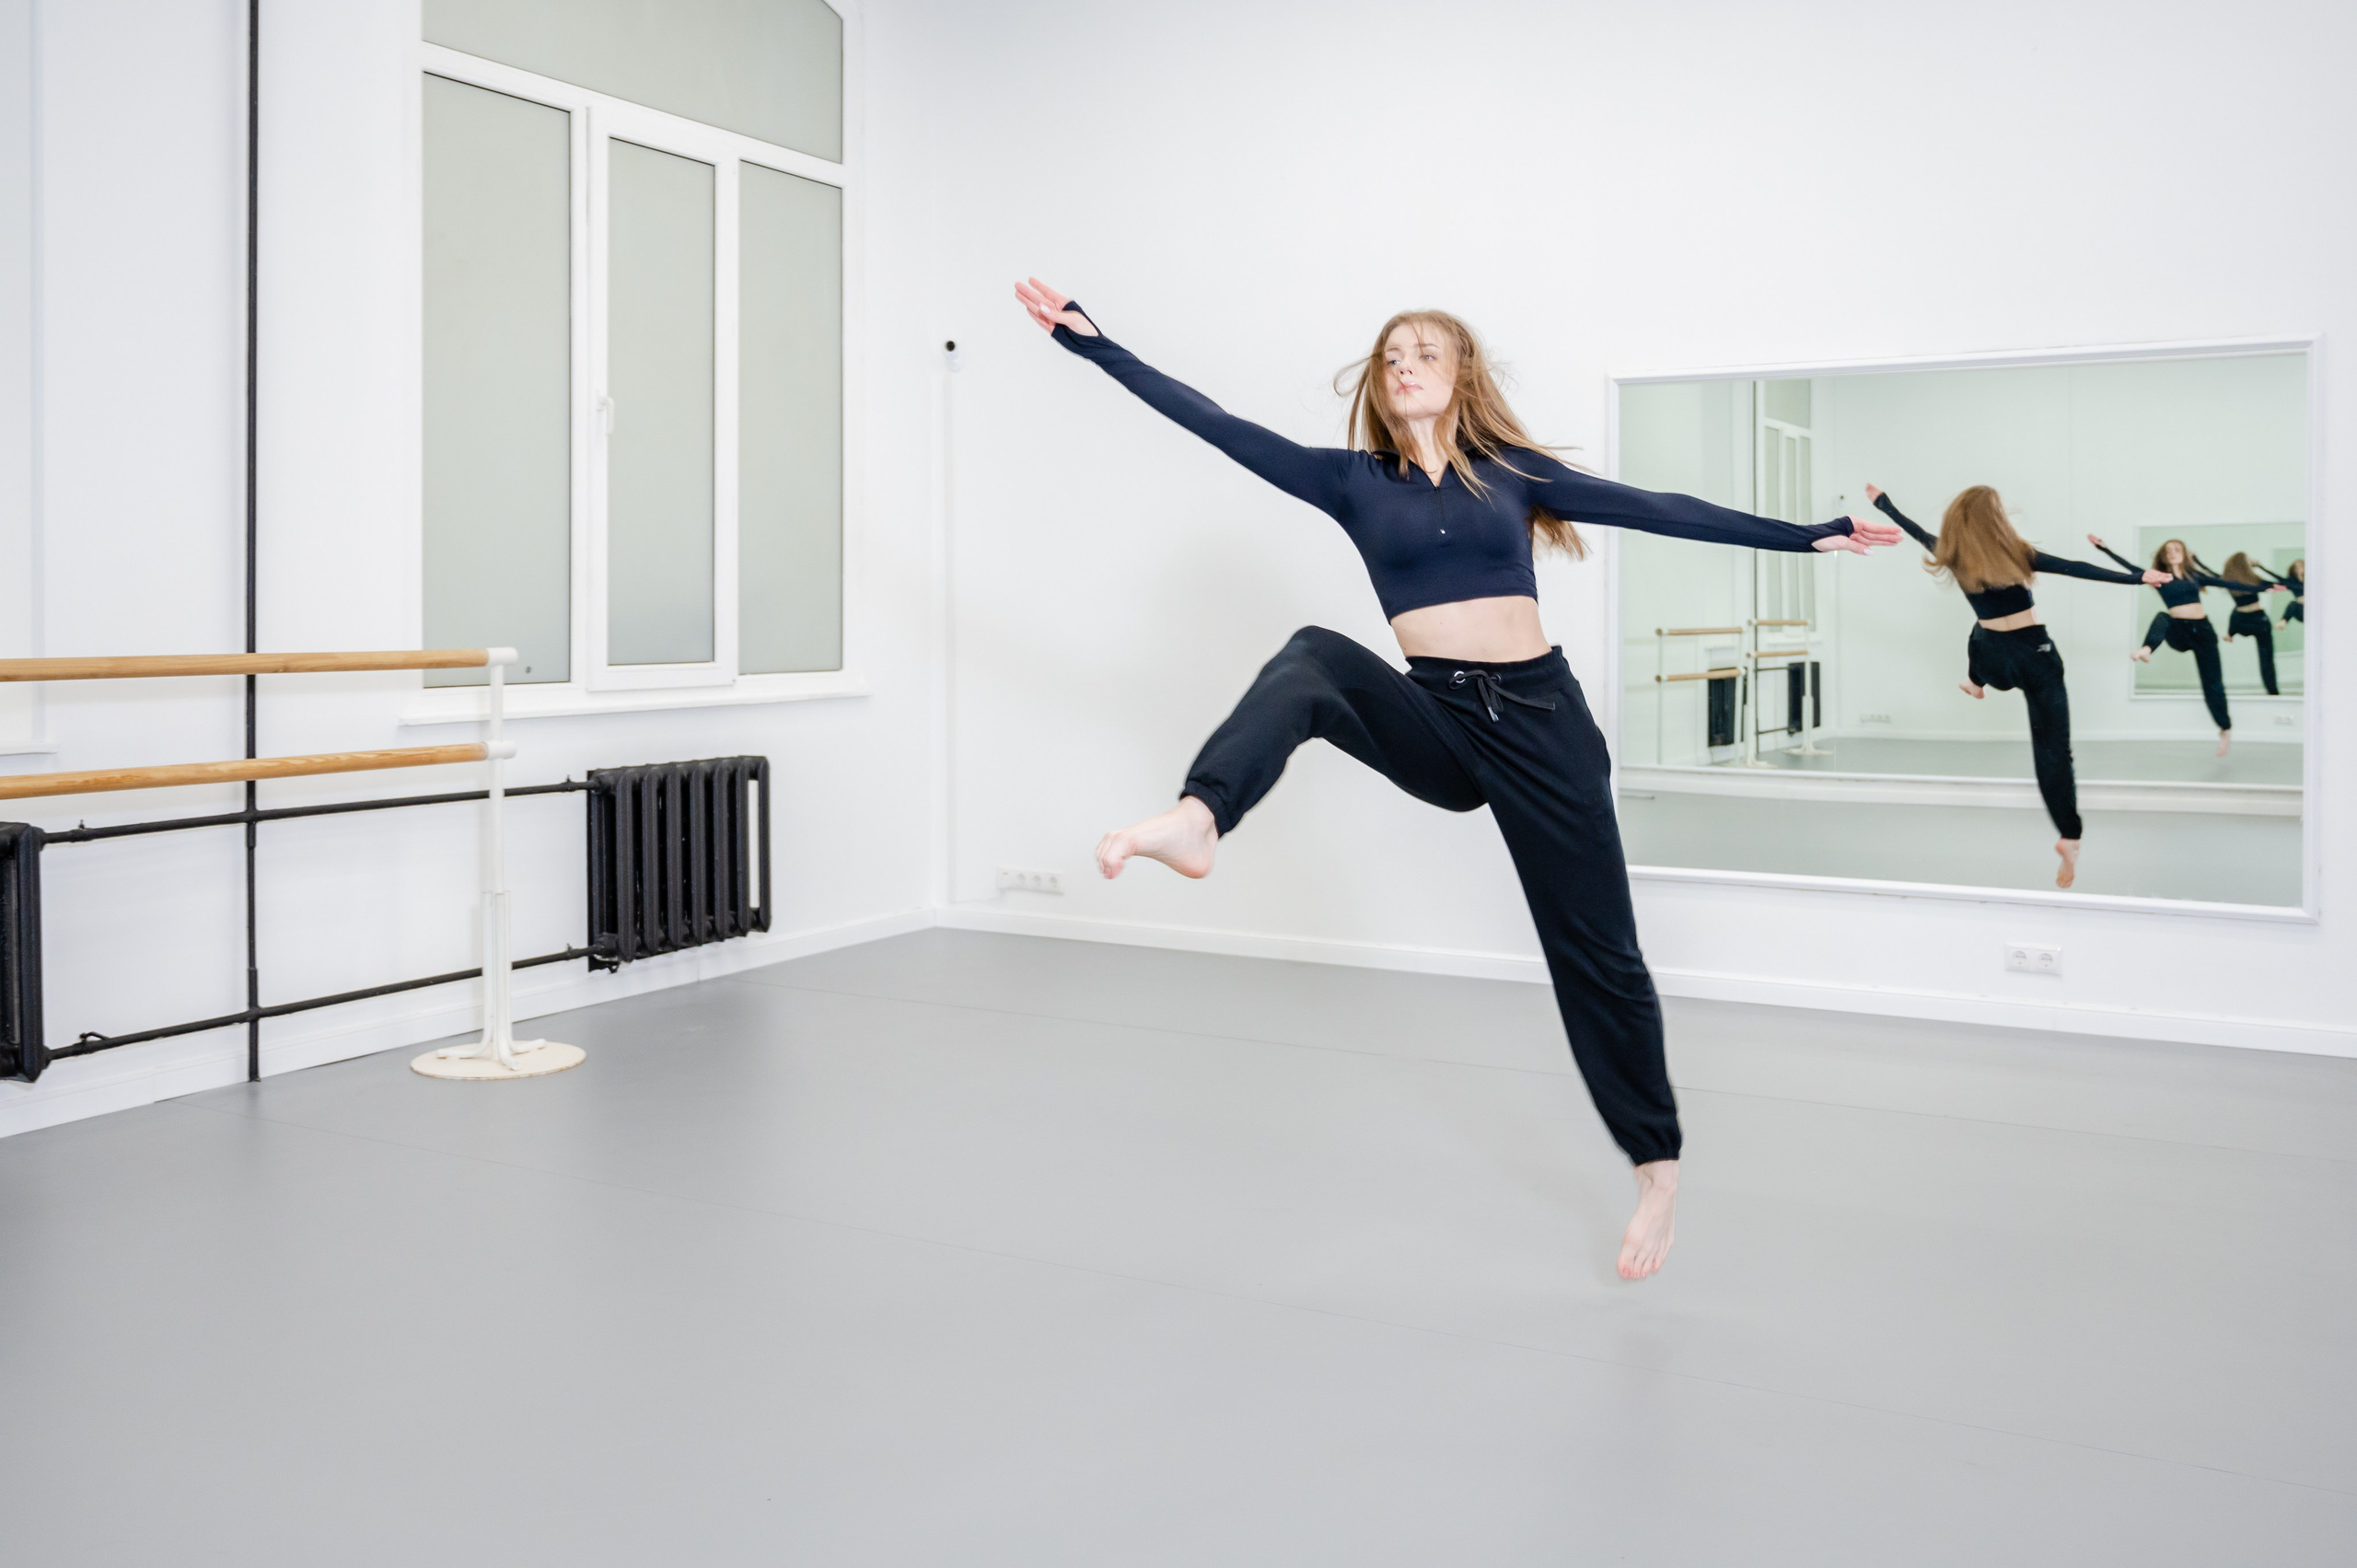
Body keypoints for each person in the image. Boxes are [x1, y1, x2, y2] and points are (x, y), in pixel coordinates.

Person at [1016, 277, 1902, 1281]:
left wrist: (1805, 534)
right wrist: (1094, 342)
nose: (1405, 368)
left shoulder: (1513, 474)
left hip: (1543, 726)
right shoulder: (1351, 481)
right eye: (1392, 358)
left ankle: (1655, 1167)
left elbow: (1657, 508)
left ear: (1460, 373)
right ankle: (1201, 813)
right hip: (1438, 719)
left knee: (1598, 953)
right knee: (1311, 656)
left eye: (1424, 354)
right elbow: (1214, 423)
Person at [1866, 485, 2166, 889]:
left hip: (1993, 658)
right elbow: (2076, 567)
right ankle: (2069, 836)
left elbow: (1914, 529)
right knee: (2053, 750)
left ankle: (1975, 681)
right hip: (2034, 654)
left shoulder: (1951, 552)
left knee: (1978, 632)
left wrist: (1883, 503)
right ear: (1996, 518)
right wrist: (2137, 577)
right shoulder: (2017, 553)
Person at [2090, 537, 2238, 753]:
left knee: (2213, 683)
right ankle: (2147, 649)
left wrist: (2266, 587)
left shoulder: (2195, 576)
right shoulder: (2159, 577)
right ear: (2164, 556)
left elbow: (2228, 583)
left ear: (2184, 553)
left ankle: (2225, 728)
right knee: (2163, 616)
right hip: (2179, 632)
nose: (2172, 553)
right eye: (2168, 550)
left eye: (2177, 549)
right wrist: (2105, 549)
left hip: (2204, 632)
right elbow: (2131, 568)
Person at [2214, 551, 2290, 695]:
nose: (2251, 561)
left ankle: (2230, 634)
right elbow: (2209, 574)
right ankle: (2230, 633)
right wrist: (2259, 566)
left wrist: (2260, 567)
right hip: (2250, 620)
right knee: (2267, 659)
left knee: (2266, 659)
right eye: (2248, 560)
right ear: (2242, 563)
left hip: (2249, 621)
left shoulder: (2251, 580)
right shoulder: (2231, 581)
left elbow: (2282, 583)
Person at [2260, 558, 2305, 629]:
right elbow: (2276, 577)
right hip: (2301, 610)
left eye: (2301, 566)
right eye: (2296, 567)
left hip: (2314, 608)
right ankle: (2283, 621)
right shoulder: (2291, 582)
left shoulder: (2310, 580)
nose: (2299, 569)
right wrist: (2260, 567)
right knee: (2293, 604)